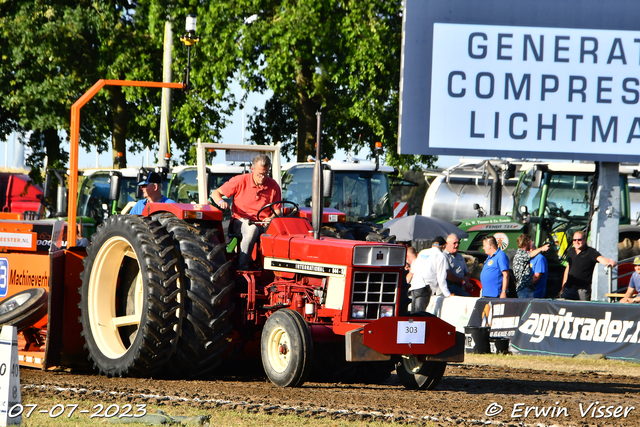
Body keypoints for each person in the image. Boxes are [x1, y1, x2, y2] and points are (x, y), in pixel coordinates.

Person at [210, 154, 281, 270]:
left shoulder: (273, 186)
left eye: (265, 174)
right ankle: (242, 267)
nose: (262, 177)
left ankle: (272, 269)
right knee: (251, 229)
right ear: (252, 169)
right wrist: (220, 201)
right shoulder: (240, 181)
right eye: (259, 174)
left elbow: (278, 211)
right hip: (241, 221)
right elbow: (215, 193)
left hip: (264, 223)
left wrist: (272, 218)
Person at [560, 230, 617, 301]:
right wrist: (563, 285)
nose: (576, 242)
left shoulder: (591, 252)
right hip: (569, 288)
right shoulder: (571, 251)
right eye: (574, 240)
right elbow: (568, 268)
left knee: (583, 310)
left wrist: (609, 261)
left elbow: (601, 259)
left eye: (579, 240)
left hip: (583, 290)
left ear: (584, 240)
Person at [408, 236, 450, 313]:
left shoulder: (422, 252)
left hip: (414, 286)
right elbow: (441, 278)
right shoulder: (441, 256)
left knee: (413, 314)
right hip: (425, 287)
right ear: (443, 246)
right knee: (419, 315)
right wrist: (448, 294)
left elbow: (412, 272)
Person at [512, 234, 549, 298]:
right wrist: (541, 249)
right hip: (524, 290)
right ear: (526, 243)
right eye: (530, 242)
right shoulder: (521, 254)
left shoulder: (520, 254)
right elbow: (530, 255)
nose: (531, 243)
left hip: (526, 289)